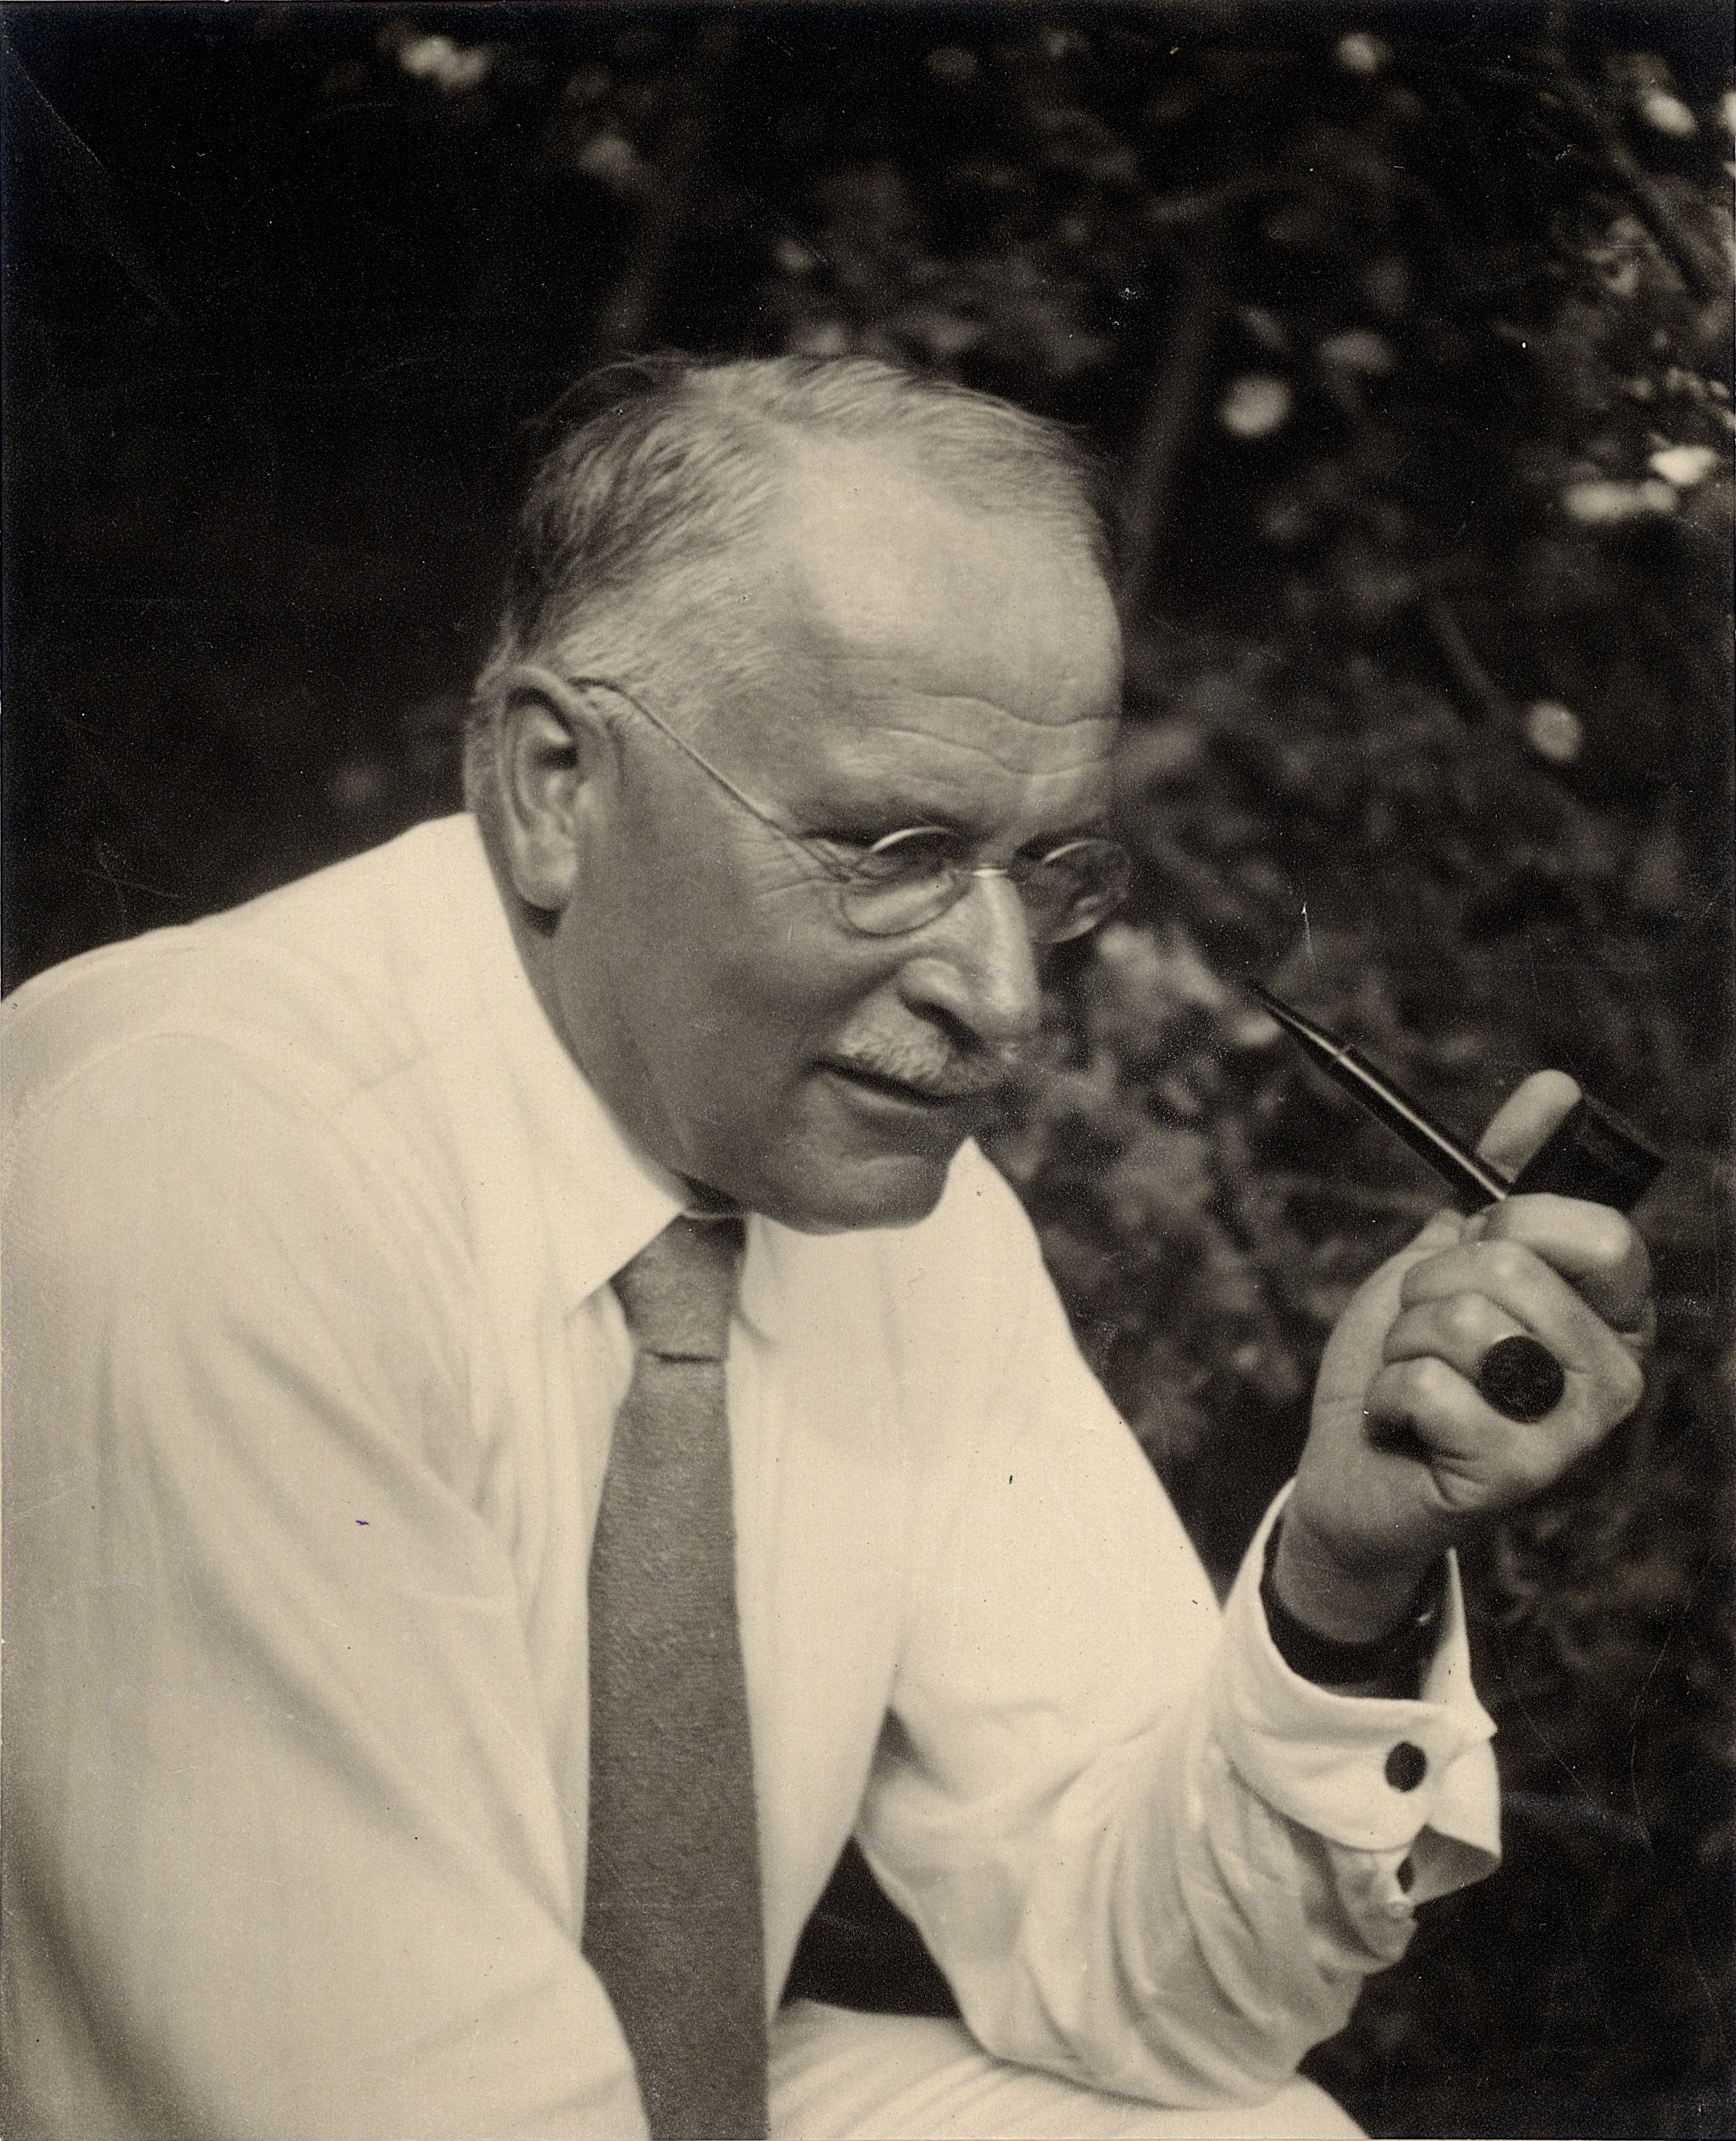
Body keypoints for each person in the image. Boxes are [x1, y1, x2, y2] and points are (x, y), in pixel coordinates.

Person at [1, 355, 1653, 2141]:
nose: (1003, 1000)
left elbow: (1166, 2006)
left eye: (1051, 874)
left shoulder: (889, 1211)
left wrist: (1345, 1572)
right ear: (558, 783)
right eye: (895, 850)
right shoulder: (216, 1154)